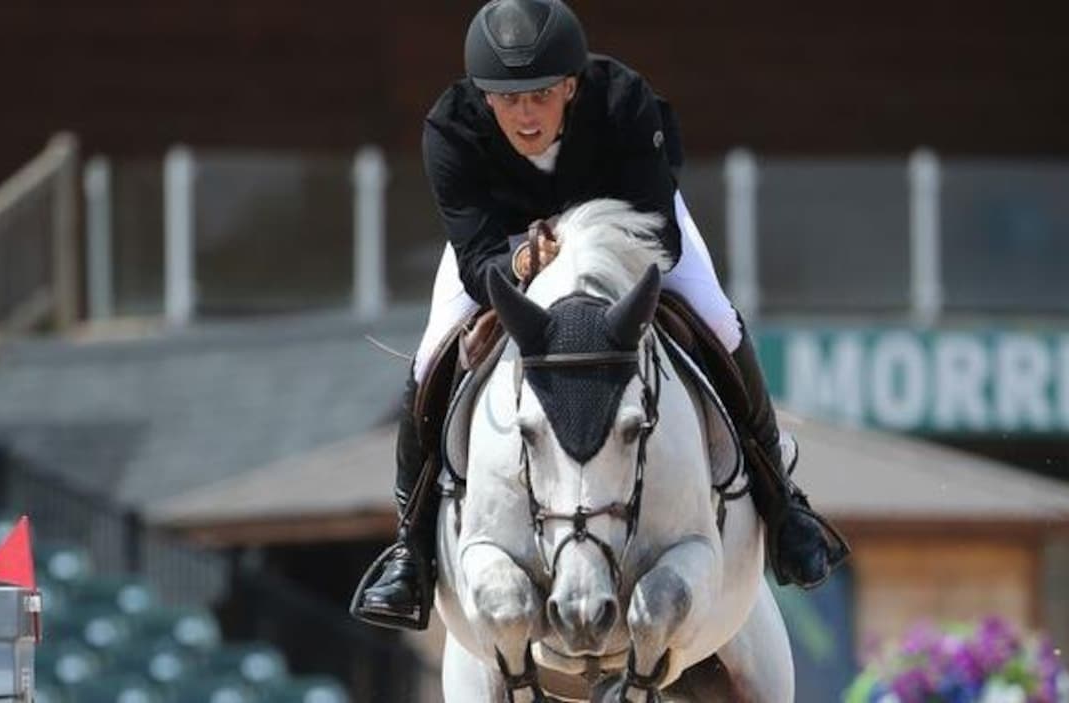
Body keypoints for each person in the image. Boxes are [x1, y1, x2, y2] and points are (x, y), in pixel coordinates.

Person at [351, 0, 847, 631]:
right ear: (483, 96)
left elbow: (661, 239)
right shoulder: (450, 131)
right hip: (507, 249)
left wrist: (583, 247)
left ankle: (784, 506)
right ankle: (410, 545)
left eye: (539, 95)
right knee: (430, 355)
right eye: (507, 99)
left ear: (570, 85)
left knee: (717, 318)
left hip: (628, 237)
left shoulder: (624, 103)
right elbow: (476, 258)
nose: (525, 115)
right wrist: (526, 258)